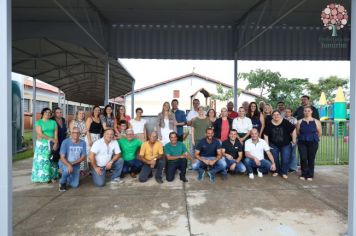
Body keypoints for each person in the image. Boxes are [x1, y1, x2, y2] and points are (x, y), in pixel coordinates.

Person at [264, 110, 296, 179]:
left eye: (278, 114)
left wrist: (294, 140)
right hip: (273, 144)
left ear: (280, 115)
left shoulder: (285, 122)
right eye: (274, 115)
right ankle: (276, 171)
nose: (276, 116)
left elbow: (293, 129)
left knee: (285, 159)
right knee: (275, 159)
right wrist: (267, 145)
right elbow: (265, 134)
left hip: (286, 144)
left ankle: (284, 172)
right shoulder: (269, 124)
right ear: (272, 116)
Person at [31, 108, 59, 183]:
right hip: (42, 144)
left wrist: (56, 143)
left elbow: (56, 134)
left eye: (49, 112)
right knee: (44, 161)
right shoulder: (38, 122)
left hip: (52, 144)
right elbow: (40, 134)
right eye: (46, 112)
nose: (48, 113)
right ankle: (44, 178)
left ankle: (52, 176)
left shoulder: (53, 122)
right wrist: (51, 139)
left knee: (52, 160)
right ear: (42, 113)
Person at [296, 106, 322, 181]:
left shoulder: (316, 121)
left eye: (308, 111)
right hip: (302, 142)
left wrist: (312, 137)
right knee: (303, 158)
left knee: (311, 158)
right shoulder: (299, 121)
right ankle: (304, 174)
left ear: (311, 112)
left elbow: (319, 132)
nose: (307, 112)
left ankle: (310, 174)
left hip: (313, 142)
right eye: (305, 111)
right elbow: (298, 132)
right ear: (303, 112)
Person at [58, 127, 86, 191]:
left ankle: (66, 176)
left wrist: (72, 164)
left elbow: (83, 157)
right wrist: (69, 165)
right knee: (67, 170)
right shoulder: (65, 142)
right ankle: (62, 183)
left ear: (80, 134)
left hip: (75, 164)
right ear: (71, 133)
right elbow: (62, 157)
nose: (75, 134)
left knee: (74, 185)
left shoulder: (83, 143)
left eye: (77, 133)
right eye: (74, 133)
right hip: (65, 162)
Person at [69, 109, 88, 174]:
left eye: (83, 113)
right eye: (80, 113)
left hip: (82, 140)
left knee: (82, 155)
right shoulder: (73, 122)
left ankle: (81, 170)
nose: (81, 115)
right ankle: (73, 167)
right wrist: (82, 132)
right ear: (77, 114)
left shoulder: (85, 122)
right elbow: (72, 132)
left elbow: (86, 132)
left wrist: (81, 132)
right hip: (74, 141)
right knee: (74, 155)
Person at [285, 108, 298, 173]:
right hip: (285, 138)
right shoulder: (282, 119)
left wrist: (294, 138)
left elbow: (296, 128)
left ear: (291, 113)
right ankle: (286, 167)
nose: (287, 113)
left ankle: (292, 168)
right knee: (286, 153)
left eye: (289, 112)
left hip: (293, 138)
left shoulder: (294, 119)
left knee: (293, 153)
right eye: (286, 112)